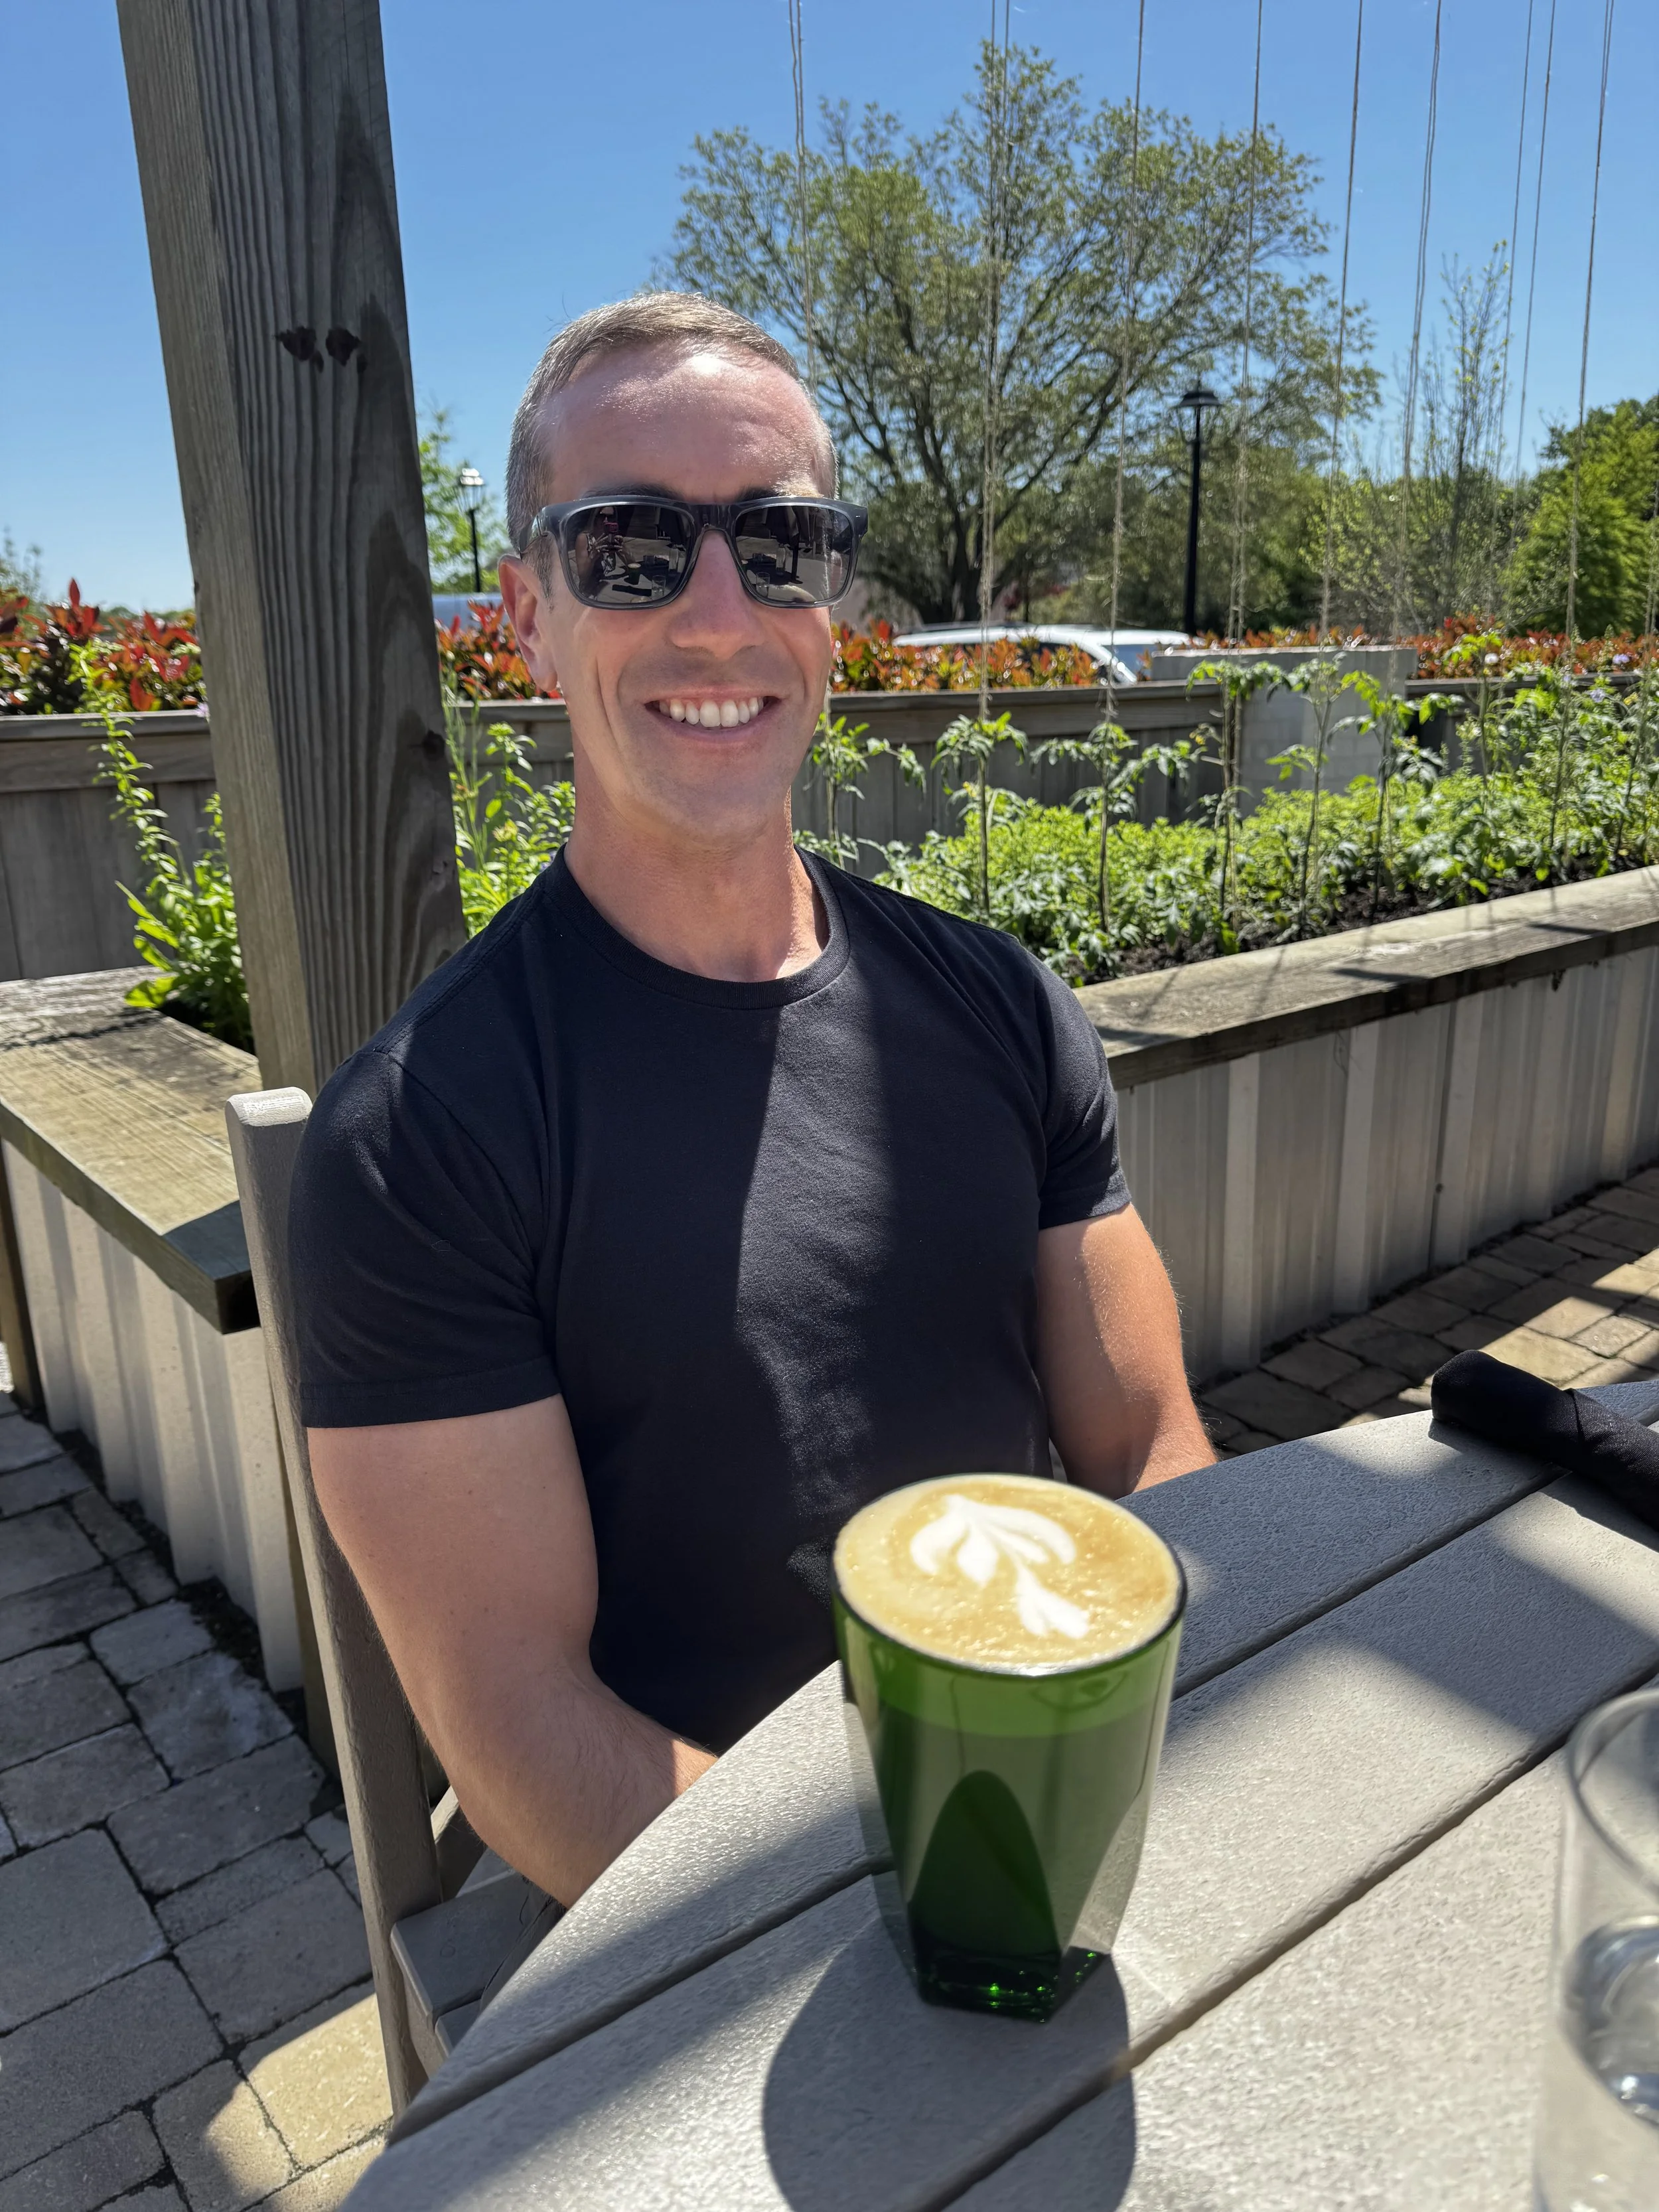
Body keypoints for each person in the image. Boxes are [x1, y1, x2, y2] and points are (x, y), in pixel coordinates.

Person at [291, 293, 1213, 1909]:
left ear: (832, 605)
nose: (719, 613)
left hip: (1051, 1787)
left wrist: (1151, 1757)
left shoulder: (997, 1001)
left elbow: (1146, 1447)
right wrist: (908, 1898)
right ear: (525, 614)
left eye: (778, 543)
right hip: (697, 1911)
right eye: (631, 547)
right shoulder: (420, 1137)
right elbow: (515, 1717)